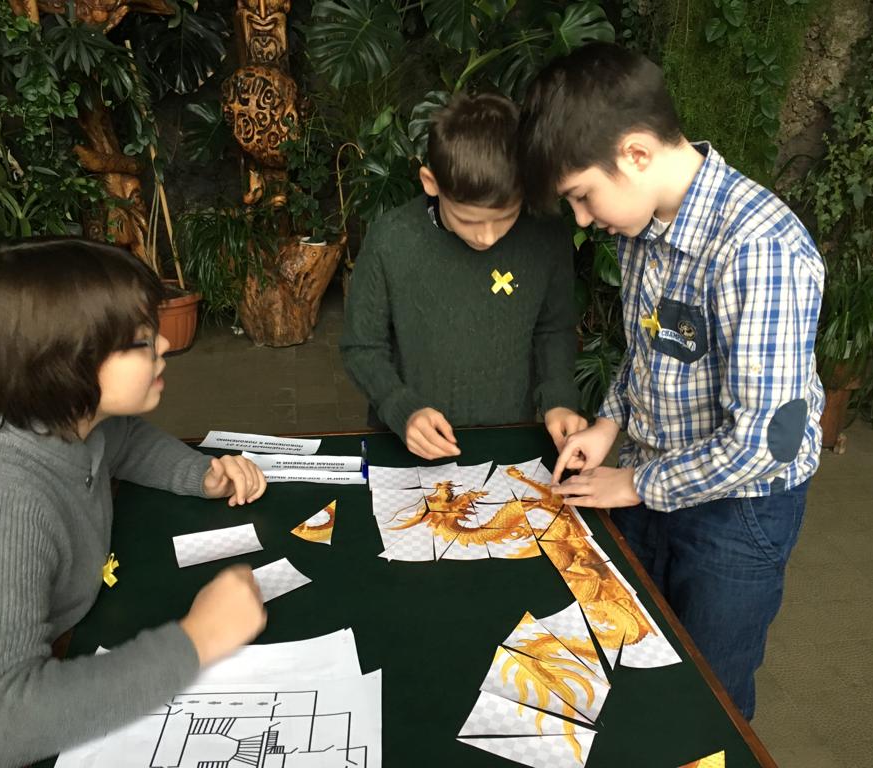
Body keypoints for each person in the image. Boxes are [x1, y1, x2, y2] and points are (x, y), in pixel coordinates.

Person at [519, 43, 824, 719]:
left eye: (582, 196)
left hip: (737, 512)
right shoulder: (641, 222)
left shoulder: (759, 249)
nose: (582, 219)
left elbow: (765, 444)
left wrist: (633, 485)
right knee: (633, 653)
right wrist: (609, 425)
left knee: (708, 693)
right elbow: (650, 348)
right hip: (650, 477)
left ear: (634, 153)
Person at [0, 238, 269, 766]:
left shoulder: (65, 419)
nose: (164, 343)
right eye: (140, 340)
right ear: (63, 361)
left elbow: (123, 441)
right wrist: (196, 642)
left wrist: (200, 475)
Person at [340, 92, 586, 461]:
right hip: (408, 445)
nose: (487, 237)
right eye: (469, 220)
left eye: (505, 218)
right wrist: (400, 407)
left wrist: (559, 399)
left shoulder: (546, 235)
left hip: (508, 442)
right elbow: (362, 347)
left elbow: (554, 328)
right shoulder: (391, 238)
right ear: (431, 182)